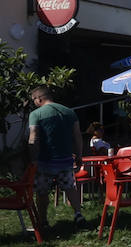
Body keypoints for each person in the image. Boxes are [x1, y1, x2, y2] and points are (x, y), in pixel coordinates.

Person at [27, 85, 86, 231]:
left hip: (44, 160)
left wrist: (33, 158)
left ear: (39, 99)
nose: (34, 103)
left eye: (33, 100)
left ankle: (43, 221)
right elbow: (78, 136)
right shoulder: (69, 112)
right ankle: (78, 214)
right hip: (65, 159)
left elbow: (33, 138)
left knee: (42, 191)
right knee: (70, 187)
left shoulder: (36, 114)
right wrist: (79, 156)